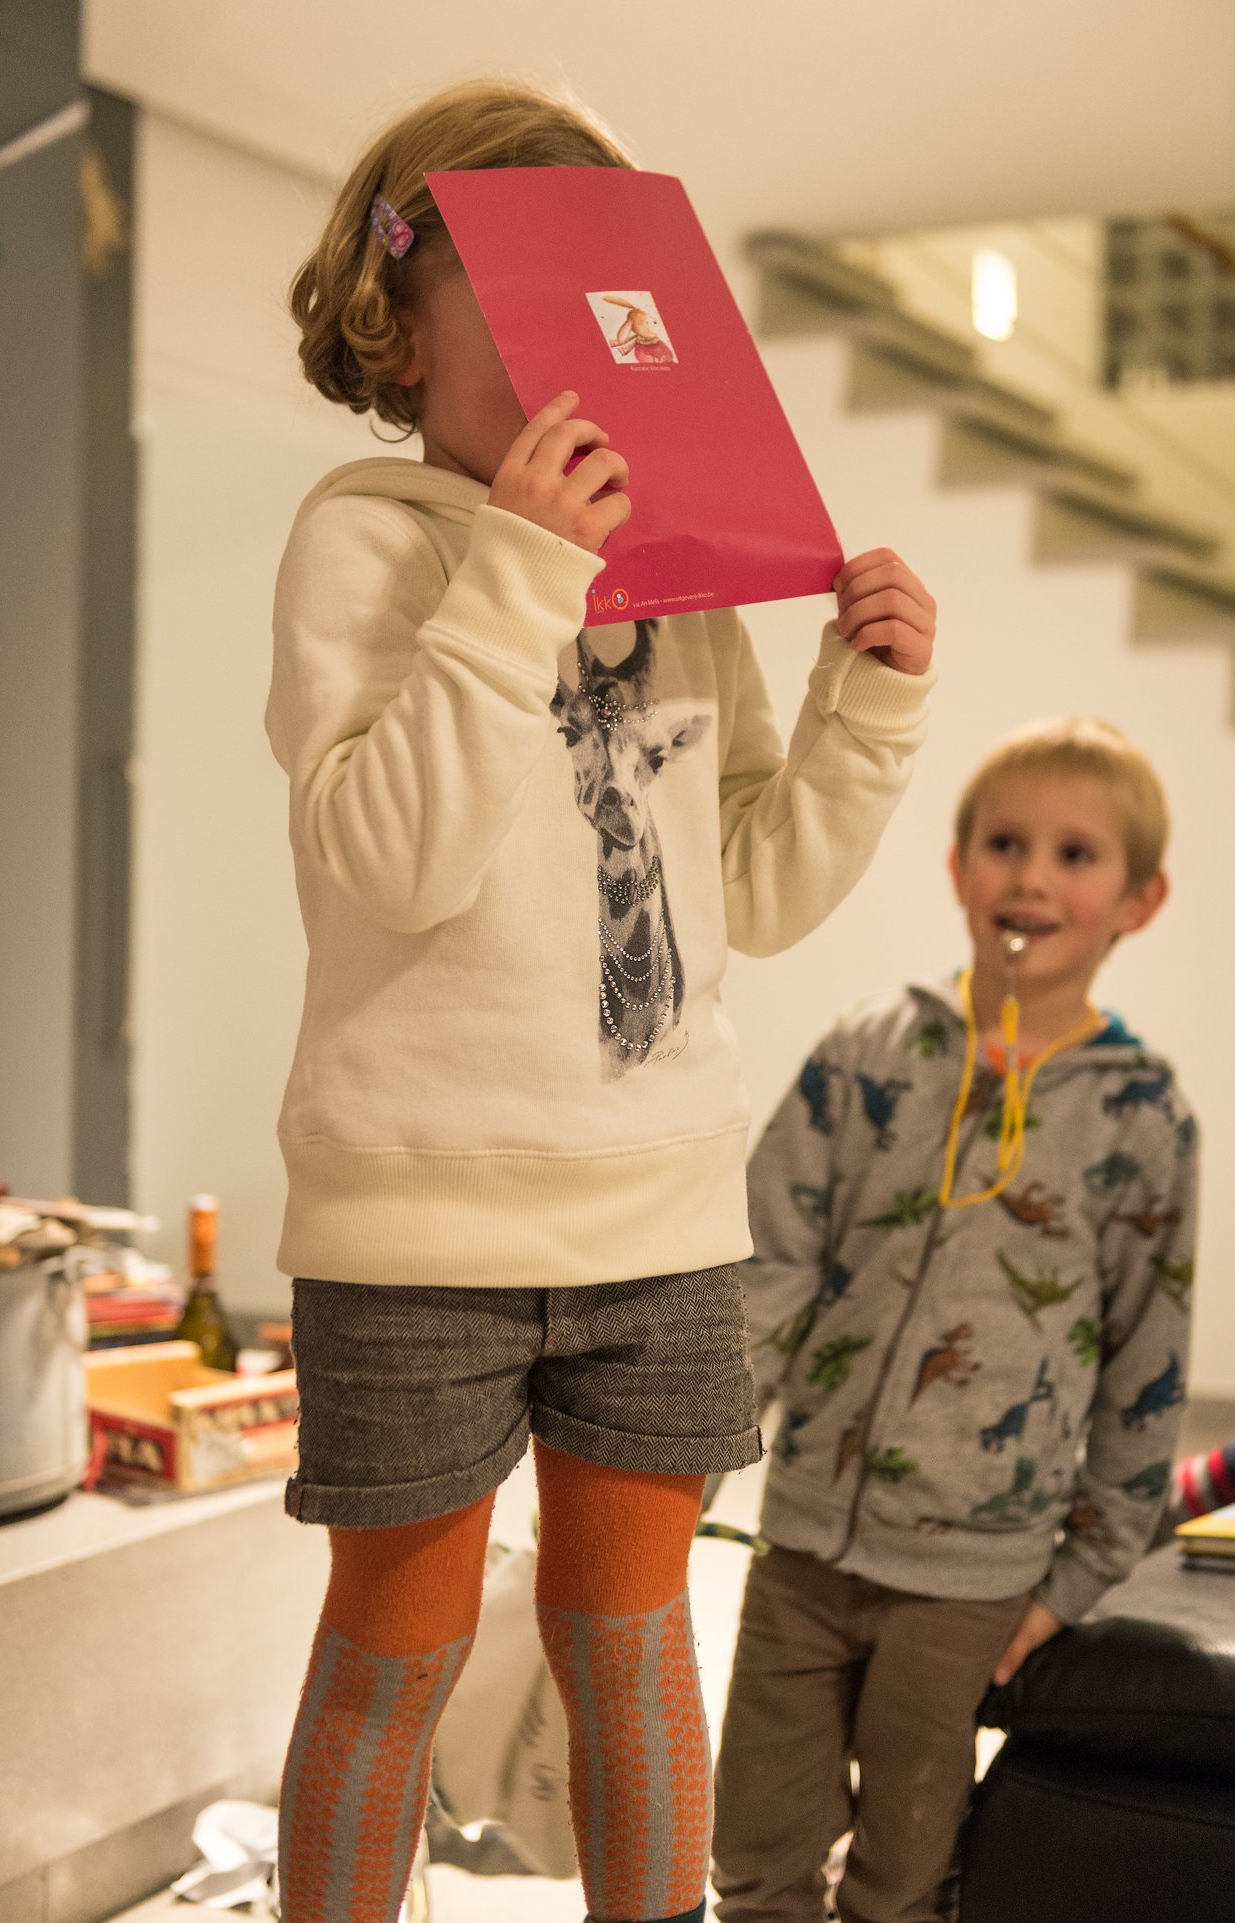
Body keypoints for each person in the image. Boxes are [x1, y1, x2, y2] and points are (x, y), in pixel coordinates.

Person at [267, 77, 937, 1923]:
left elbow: (765, 888)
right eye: (532, 314)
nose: (593, 373)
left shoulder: (684, 586)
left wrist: (861, 707)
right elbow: (388, 858)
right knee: (392, 1650)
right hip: (416, 1221)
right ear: (402, 324)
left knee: (634, 1641)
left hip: (654, 1209)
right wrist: (527, 575)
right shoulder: (367, 542)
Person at [711, 717, 1198, 1923]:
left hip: (975, 1574)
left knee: (907, 1865)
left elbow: (1146, 1359)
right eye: (1003, 843)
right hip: (806, 1539)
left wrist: (1076, 1576)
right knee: (752, 1840)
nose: (1030, 875)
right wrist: (699, 1439)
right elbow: (770, 1257)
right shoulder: (869, 1049)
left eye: (1073, 855)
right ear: (955, 867)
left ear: (1137, 901)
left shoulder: (1141, 1118)